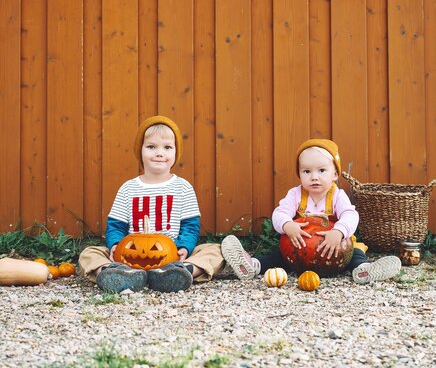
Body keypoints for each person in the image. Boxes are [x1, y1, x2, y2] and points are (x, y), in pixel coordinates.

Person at [221, 138, 402, 284]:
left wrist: (338, 232)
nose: (314, 177)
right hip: (298, 253)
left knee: (355, 253)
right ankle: (253, 266)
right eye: (306, 171)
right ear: (299, 174)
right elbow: (280, 212)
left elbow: (350, 215)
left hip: (334, 252)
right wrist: (287, 225)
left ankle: (363, 270)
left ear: (335, 174)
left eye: (322, 170)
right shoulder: (296, 194)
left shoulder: (337, 196)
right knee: (277, 256)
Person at [79, 115, 225, 293]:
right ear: (140, 151)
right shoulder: (128, 188)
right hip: (129, 258)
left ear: (175, 153)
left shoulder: (183, 187)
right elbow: (116, 225)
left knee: (214, 250)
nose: (159, 153)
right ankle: (116, 274)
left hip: (172, 257)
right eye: (151, 147)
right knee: (90, 253)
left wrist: (183, 248)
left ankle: (181, 272)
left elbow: (190, 226)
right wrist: (115, 244)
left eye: (167, 147)